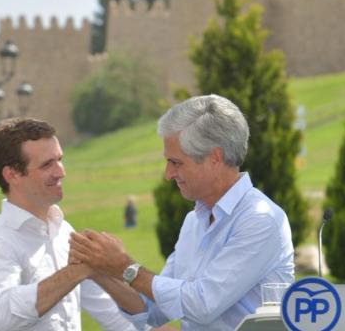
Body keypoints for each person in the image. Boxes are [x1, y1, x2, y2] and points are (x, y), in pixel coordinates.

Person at [69, 95, 295, 330]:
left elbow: (202, 305)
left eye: (176, 163)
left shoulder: (260, 219)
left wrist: (124, 266)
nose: (168, 174)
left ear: (215, 158)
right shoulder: (194, 221)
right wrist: (98, 269)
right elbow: (154, 309)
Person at [0, 117, 137, 331]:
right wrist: (74, 273)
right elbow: (5, 315)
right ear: (12, 174)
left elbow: (104, 307)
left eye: (59, 159)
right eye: (47, 164)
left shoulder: (64, 231)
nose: (61, 171)